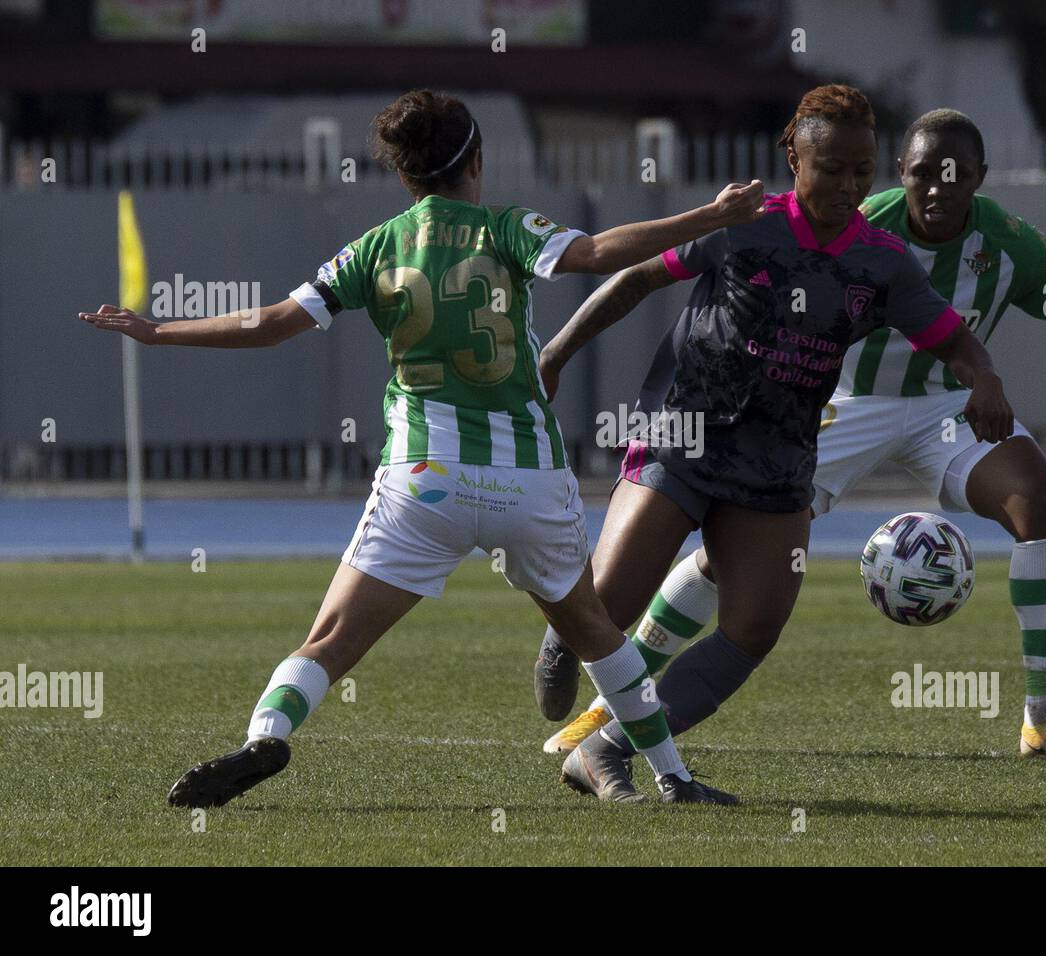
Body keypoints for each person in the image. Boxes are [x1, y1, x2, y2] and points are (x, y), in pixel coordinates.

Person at [78, 89, 767, 807]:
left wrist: (158, 332)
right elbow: (595, 254)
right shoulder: (505, 227)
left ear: (406, 178)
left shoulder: (375, 246)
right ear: (476, 159)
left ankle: (263, 737)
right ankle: (674, 778)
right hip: (525, 480)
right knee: (594, 630)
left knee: (328, 643)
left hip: (424, 481)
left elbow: (275, 321)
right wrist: (709, 215)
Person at [540, 108, 1046, 761]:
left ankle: (1044, 718)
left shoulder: (1011, 244)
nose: (938, 188)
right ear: (901, 174)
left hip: (946, 407)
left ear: (980, 179)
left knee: (1041, 502)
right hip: (838, 403)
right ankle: (613, 701)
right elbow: (682, 284)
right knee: (729, 554)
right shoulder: (857, 221)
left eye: (956, 176)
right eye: (924, 174)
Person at [535, 87, 1016, 801]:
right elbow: (636, 278)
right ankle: (562, 640)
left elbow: (953, 338)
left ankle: (607, 751)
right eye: (832, 169)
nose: (850, 187)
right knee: (604, 613)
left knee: (753, 629)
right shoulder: (744, 225)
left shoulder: (883, 261)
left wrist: (985, 379)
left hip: (777, 457)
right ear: (793, 158)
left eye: (862, 171)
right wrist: (554, 356)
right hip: (683, 432)